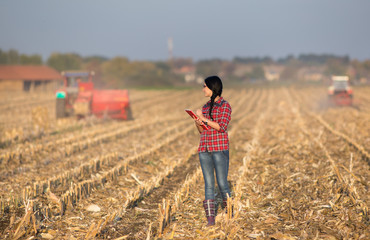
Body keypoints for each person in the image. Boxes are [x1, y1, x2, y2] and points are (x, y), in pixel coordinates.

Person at [193, 75, 232, 226]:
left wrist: (204, 118)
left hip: (219, 148)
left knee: (222, 183)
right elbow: (202, 131)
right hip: (204, 148)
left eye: (204, 86)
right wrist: (198, 122)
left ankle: (229, 213)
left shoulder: (225, 106)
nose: (202, 89)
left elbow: (221, 126)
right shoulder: (204, 107)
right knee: (208, 184)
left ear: (212, 87)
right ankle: (210, 220)